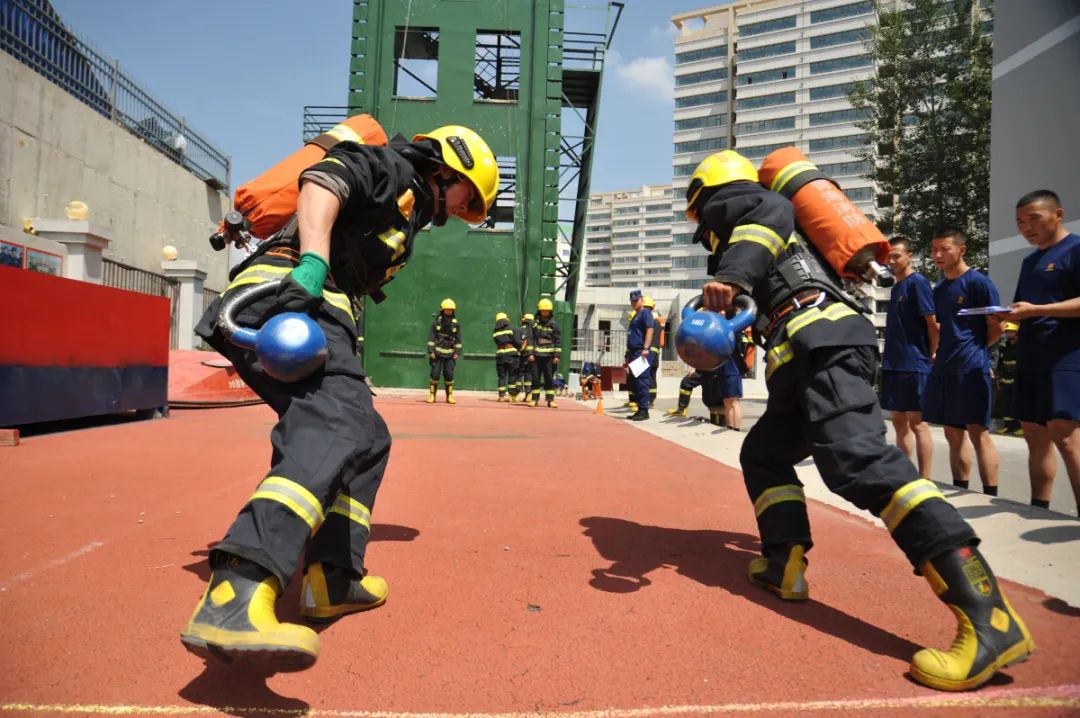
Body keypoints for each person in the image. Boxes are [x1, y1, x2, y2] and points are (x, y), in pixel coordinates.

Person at [685, 149, 1032, 691]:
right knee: (764, 454)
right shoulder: (780, 225)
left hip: (820, 343)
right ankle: (784, 561)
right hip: (806, 351)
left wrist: (730, 276)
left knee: (859, 461)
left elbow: (764, 222)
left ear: (706, 196)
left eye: (701, 219)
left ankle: (989, 616)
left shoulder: (746, 202)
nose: (705, 232)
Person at [181, 125, 498, 672]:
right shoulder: (394, 170)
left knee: (368, 439)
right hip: (291, 296)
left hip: (311, 310)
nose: (460, 209)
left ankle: (333, 576)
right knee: (335, 422)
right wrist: (313, 263)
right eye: (466, 196)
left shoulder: (407, 204)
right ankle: (237, 588)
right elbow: (325, 181)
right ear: (448, 169)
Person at [998, 189, 1080, 514]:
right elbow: (1024, 304)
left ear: (1057, 214)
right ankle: (1039, 507)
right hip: (1031, 356)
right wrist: (1009, 322)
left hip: (1066, 357)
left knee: (1066, 436)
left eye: (1034, 219)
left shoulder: (1075, 250)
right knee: (1033, 432)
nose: (1026, 227)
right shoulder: (1030, 260)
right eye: (1020, 222)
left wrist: (1034, 311)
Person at [922, 229, 1002, 495]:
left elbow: (997, 328)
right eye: (934, 250)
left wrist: (976, 351)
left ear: (961, 250)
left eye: (944, 249)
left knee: (978, 432)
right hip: (944, 368)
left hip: (971, 368)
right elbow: (943, 327)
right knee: (952, 433)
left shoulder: (979, 283)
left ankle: (991, 495)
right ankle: (962, 491)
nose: (938, 255)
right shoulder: (941, 288)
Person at [880, 237, 939, 477]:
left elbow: (932, 323)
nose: (892, 261)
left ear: (909, 256)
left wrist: (933, 352)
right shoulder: (896, 287)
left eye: (897, 256)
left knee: (918, 423)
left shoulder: (919, 283)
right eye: (889, 257)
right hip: (893, 363)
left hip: (915, 363)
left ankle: (925, 479)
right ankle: (906, 475)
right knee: (898, 422)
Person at [624, 290, 654, 421]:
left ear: (641, 299)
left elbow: (650, 329)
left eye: (636, 300)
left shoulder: (645, 313)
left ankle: (644, 410)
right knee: (635, 382)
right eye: (632, 301)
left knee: (642, 381)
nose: (634, 303)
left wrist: (646, 348)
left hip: (640, 351)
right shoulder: (636, 315)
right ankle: (639, 409)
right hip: (633, 352)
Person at [427, 298, 462, 404]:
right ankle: (432, 396)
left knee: (449, 375)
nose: (449, 311)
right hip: (437, 353)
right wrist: (431, 351)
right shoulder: (436, 322)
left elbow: (458, 339)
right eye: (447, 309)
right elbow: (431, 337)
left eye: (451, 310)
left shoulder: (456, 324)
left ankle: (449, 396)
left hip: (450, 354)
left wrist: (457, 352)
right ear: (443, 310)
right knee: (435, 374)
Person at [528, 298, 561, 407]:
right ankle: (534, 400)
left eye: (547, 311)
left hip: (549, 357)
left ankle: (550, 400)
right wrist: (531, 353)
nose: (545, 312)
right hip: (536, 356)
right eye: (543, 310)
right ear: (539, 311)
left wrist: (557, 356)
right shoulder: (534, 324)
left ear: (550, 311)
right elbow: (531, 338)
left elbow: (557, 341)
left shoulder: (554, 324)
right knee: (536, 378)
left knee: (549, 378)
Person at [991, 322, 1021, 436]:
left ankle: (1019, 426)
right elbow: (1000, 364)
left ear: (1017, 333)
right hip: (1005, 380)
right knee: (1006, 404)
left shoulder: (1021, 347)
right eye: (1007, 332)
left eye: (1011, 332)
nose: (1008, 334)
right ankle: (1008, 427)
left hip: (1018, 380)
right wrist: (999, 378)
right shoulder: (1003, 347)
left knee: (1017, 403)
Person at [491, 311, 520, 402]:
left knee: (501, 376)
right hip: (511, 354)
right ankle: (512, 396)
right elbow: (516, 341)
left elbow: (497, 342)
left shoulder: (495, 332)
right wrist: (520, 347)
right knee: (512, 375)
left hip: (500, 355)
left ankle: (501, 396)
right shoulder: (511, 329)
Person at [643, 296, 663, 408]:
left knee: (645, 376)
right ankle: (651, 400)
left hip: (649, 353)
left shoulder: (649, 321)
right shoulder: (658, 322)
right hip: (655, 354)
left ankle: (646, 400)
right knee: (652, 376)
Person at [514, 313, 534, 402]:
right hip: (530, 356)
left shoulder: (519, 330)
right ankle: (528, 395)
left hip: (520, 356)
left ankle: (517, 394)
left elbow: (516, 342)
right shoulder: (534, 330)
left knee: (519, 375)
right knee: (528, 375)